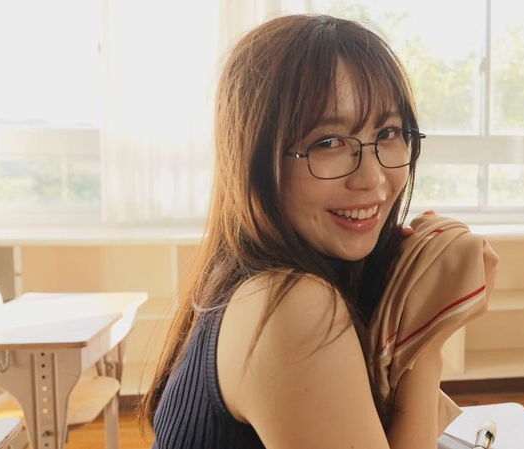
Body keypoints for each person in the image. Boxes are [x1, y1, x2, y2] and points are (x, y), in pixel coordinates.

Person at [141, 14, 499, 449]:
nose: (372, 178)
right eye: (328, 142)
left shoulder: (243, 276)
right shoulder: (290, 307)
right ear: (257, 161)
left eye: (388, 133)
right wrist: (423, 342)